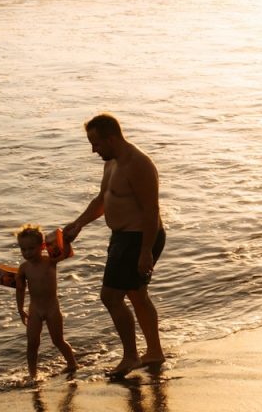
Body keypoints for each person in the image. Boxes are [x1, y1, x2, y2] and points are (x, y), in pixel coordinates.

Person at [63, 114, 167, 376]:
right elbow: (103, 199)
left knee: (110, 296)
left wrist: (145, 251)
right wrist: (78, 224)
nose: (93, 149)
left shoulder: (138, 163)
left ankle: (131, 357)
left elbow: (151, 210)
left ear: (111, 138)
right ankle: (154, 352)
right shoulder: (111, 163)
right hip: (123, 238)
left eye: (95, 142)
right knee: (137, 295)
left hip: (139, 237)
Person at [15, 224, 78, 380]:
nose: (27, 253)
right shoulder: (24, 268)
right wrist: (20, 309)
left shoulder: (50, 261)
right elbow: (20, 289)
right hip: (34, 310)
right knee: (32, 344)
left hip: (52, 309)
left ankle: (72, 363)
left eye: (31, 248)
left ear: (42, 246)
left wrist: (66, 240)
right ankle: (33, 375)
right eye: (23, 249)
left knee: (58, 340)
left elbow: (65, 253)